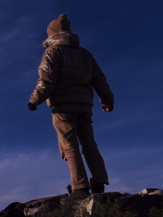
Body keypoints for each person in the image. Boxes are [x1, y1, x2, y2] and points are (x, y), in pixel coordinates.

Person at [27, 14, 114, 201]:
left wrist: (34, 101)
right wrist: (107, 101)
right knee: (89, 144)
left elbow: (47, 80)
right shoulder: (85, 54)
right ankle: (98, 183)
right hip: (84, 104)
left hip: (63, 106)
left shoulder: (53, 52)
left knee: (69, 146)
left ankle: (80, 188)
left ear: (52, 33)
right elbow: (100, 81)